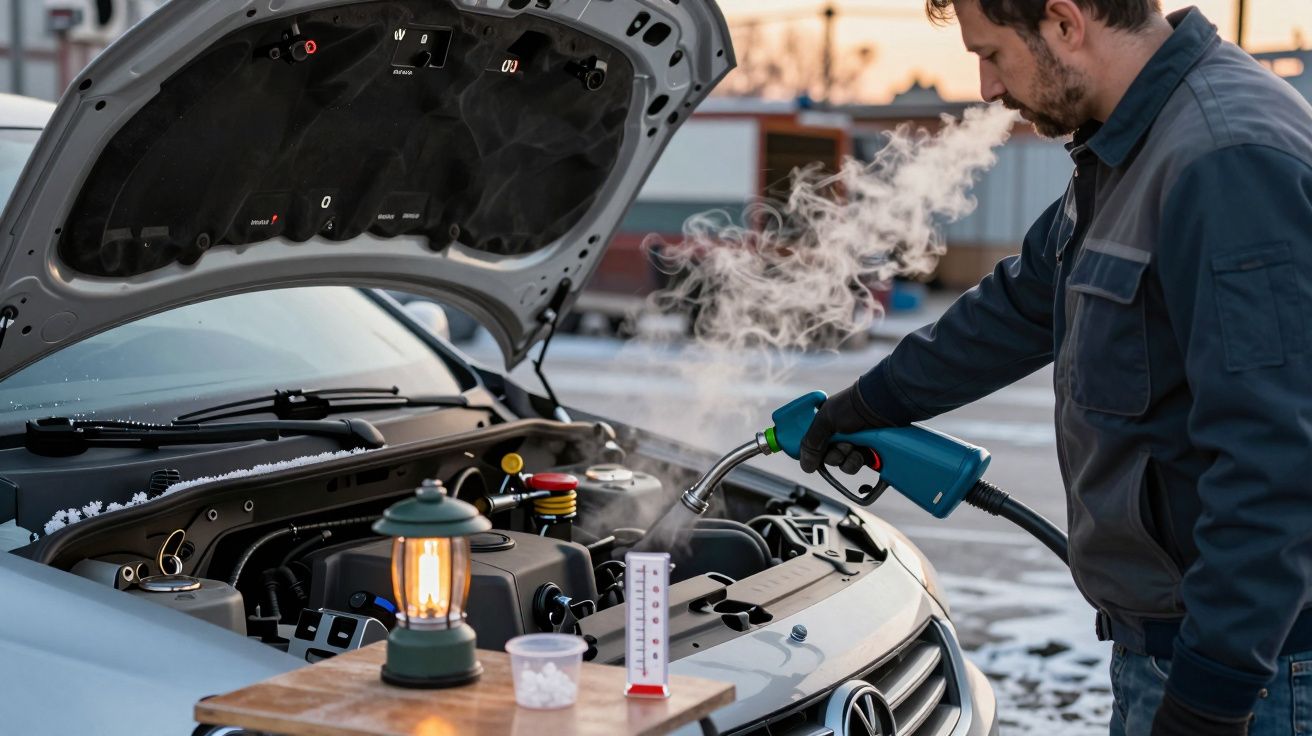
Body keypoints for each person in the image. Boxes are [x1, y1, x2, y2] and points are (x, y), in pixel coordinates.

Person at [797, 2, 1312, 735]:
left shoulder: (1224, 159)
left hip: (1257, 680)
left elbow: (1278, 457)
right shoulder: (1129, 147)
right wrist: (866, 404)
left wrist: (1210, 696)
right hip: (1176, 650)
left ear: (1065, 22)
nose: (985, 88)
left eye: (993, 54)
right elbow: (1020, 304)